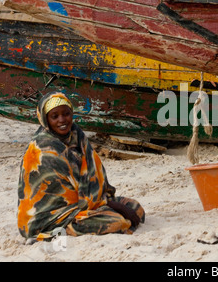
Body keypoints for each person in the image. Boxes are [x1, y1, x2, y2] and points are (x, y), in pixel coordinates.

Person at [17, 91, 145, 241]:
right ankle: (63, 230)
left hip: (84, 203)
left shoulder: (76, 135)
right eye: (55, 116)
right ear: (45, 120)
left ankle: (107, 212)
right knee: (117, 222)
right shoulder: (45, 149)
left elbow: (90, 183)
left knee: (136, 208)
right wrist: (110, 205)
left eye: (66, 114)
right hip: (50, 217)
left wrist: (109, 203)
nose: (62, 120)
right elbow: (82, 193)